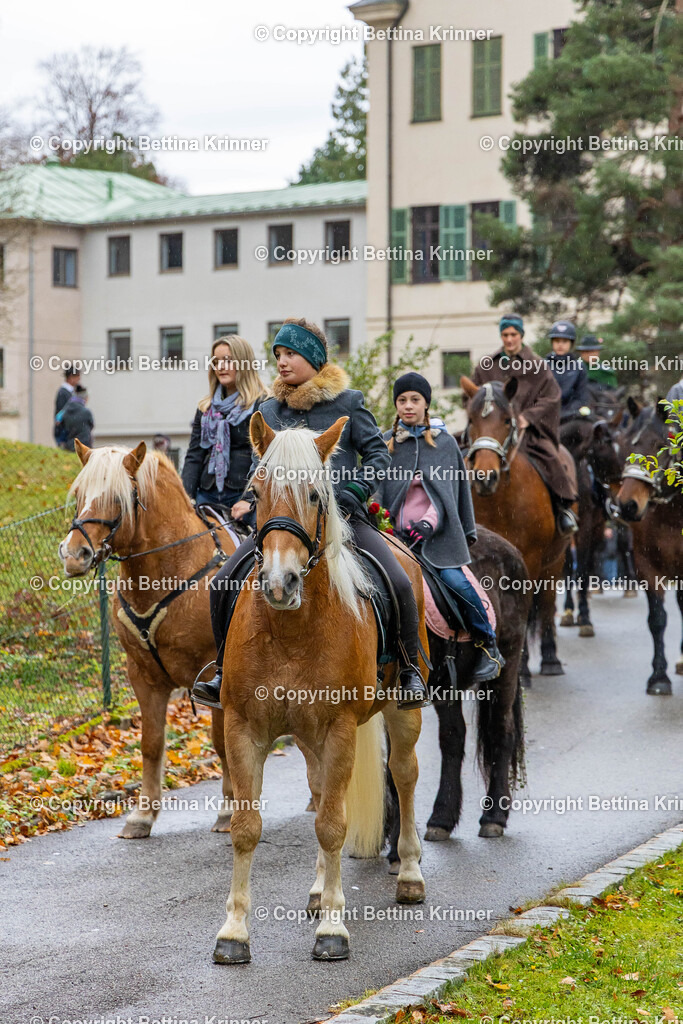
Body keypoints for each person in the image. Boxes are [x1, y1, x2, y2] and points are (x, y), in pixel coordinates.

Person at [191, 317, 430, 711]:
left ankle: (408, 672)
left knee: (401, 581)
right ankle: (222, 673)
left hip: (345, 522)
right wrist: (252, 503)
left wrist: (354, 492)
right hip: (281, 525)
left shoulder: (349, 403)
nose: (282, 362)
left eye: (292, 354)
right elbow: (261, 472)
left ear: (314, 359)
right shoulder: (268, 410)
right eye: (279, 354)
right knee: (220, 584)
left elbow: (375, 455)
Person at [377, 372, 504, 683]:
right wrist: (385, 524)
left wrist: (427, 524)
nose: (408, 406)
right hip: (394, 539)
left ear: (426, 404)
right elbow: (377, 490)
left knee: (456, 583)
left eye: (415, 400)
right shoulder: (386, 443)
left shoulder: (445, 445)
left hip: (434, 538)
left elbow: (446, 494)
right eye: (402, 400)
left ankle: (488, 645)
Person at [473, 314, 578, 534]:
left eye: (513, 334)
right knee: (458, 452)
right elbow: (472, 396)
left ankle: (563, 508)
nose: (509, 339)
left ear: (521, 335)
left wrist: (527, 417)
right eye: (505, 335)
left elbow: (552, 396)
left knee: (552, 457)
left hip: (527, 432)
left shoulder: (538, 365)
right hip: (491, 433)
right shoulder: (486, 366)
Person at [181, 335, 268, 526]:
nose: (220, 366)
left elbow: (265, 460)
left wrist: (249, 499)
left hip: (244, 497)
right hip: (207, 494)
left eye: (228, 360)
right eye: (216, 361)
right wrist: (184, 497)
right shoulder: (205, 407)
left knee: (253, 549)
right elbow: (194, 456)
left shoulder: (263, 405)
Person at [544, 320, 589, 419]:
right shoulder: (542, 365)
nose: (560, 345)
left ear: (571, 344)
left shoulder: (579, 367)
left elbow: (581, 396)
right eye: (557, 341)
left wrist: (567, 413)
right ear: (552, 343)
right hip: (545, 416)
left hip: (570, 416)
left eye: (564, 341)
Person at [54, 364, 81, 448]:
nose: (79, 380)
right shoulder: (63, 393)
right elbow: (62, 412)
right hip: (64, 431)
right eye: (77, 377)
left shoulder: (72, 392)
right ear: (71, 377)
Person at [61, 385, 94, 451]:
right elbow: (92, 425)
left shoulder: (65, 412)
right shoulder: (86, 412)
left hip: (69, 446)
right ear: (85, 398)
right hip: (85, 447)